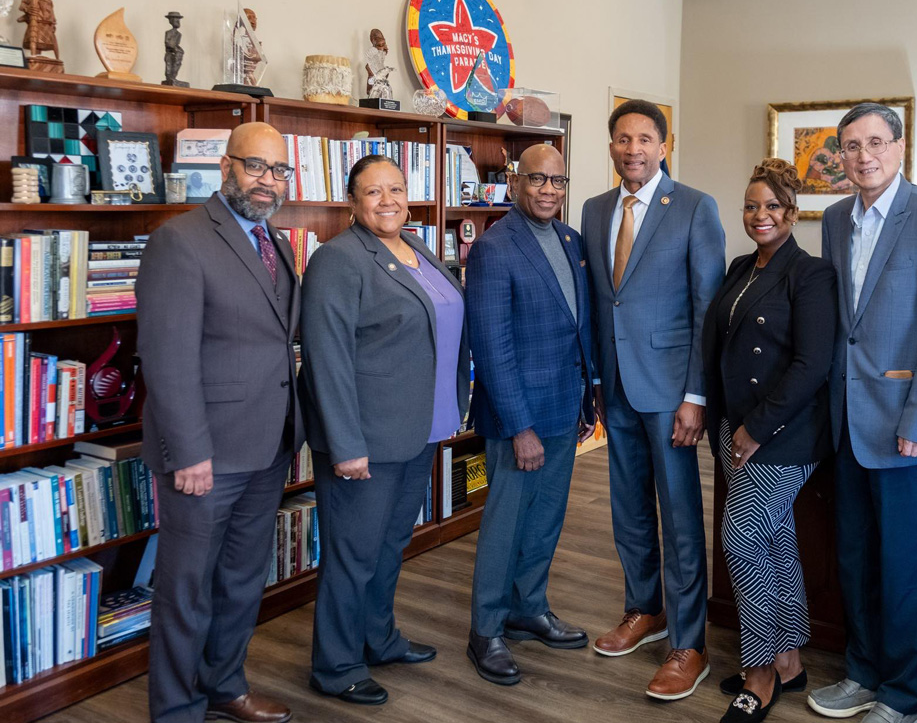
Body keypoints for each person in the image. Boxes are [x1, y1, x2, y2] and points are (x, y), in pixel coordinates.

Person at [137, 122, 304, 723]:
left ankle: (224, 686)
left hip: (269, 444)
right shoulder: (179, 240)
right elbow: (167, 356)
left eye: (279, 170)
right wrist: (189, 452)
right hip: (205, 454)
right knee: (186, 590)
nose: (268, 181)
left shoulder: (277, 242)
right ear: (225, 166)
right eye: (256, 166)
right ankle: (176, 710)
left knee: (240, 581)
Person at [810, 103, 917, 723]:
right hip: (847, 424)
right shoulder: (834, 219)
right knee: (855, 560)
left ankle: (903, 698)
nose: (864, 156)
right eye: (851, 146)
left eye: (876, 142)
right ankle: (862, 673)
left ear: (900, 147)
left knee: (905, 570)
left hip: (907, 427)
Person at [300, 154, 469, 706]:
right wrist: (345, 445)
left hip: (418, 430)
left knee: (391, 544)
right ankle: (336, 665)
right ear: (352, 202)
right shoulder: (338, 259)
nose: (388, 200)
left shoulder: (415, 248)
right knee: (353, 554)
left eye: (395, 188)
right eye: (373, 192)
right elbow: (325, 358)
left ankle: (378, 638)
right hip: (366, 439)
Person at [581, 100, 726, 700]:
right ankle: (645, 609)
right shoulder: (594, 210)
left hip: (671, 392)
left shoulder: (694, 206)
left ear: (664, 146)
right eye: (623, 138)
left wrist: (696, 394)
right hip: (615, 386)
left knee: (681, 518)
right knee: (629, 510)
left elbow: (707, 309)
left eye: (644, 138)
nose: (633, 148)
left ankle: (689, 643)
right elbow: (601, 303)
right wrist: (595, 380)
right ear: (611, 145)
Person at [702, 158, 837, 723]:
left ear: (792, 212)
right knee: (773, 540)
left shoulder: (810, 274)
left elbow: (812, 365)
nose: (761, 215)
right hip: (735, 426)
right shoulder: (741, 267)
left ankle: (759, 674)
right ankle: (789, 661)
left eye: (772, 206)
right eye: (752, 206)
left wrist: (757, 428)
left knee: (740, 539)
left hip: (782, 433)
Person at [465, 144, 595, 686]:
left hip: (565, 405)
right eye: (538, 179)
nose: (548, 190)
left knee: (545, 519)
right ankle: (486, 629)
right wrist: (520, 428)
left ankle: (528, 608)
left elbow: (578, 325)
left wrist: (588, 397)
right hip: (520, 417)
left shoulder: (570, 240)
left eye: (557, 181)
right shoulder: (494, 248)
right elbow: (491, 346)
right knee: (506, 523)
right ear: (516, 181)